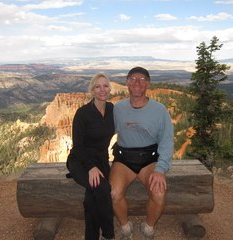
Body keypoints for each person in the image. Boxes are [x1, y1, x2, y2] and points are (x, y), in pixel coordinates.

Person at [110, 67, 174, 240]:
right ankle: (125, 228)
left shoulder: (159, 110)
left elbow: (167, 141)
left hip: (150, 159)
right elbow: (106, 131)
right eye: (133, 78)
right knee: (113, 193)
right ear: (127, 83)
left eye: (142, 79)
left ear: (148, 83)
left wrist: (160, 169)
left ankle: (148, 229)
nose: (137, 82)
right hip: (123, 159)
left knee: (159, 193)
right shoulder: (118, 108)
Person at [66, 73, 115, 240]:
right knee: (102, 188)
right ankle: (109, 234)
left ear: (109, 89)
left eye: (105, 86)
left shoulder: (112, 110)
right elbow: (78, 146)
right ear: (92, 90)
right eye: (98, 86)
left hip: (101, 160)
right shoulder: (83, 113)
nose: (102, 90)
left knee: (91, 198)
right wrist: (90, 167)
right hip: (79, 161)